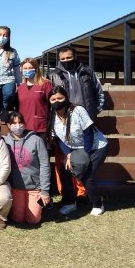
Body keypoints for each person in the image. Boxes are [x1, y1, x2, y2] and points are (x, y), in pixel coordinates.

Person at [48, 85, 109, 216]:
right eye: (53, 99)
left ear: (66, 98)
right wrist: (68, 155)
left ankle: (98, 203)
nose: (57, 101)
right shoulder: (52, 116)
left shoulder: (77, 110)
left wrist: (84, 156)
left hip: (95, 146)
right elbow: (58, 139)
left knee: (87, 175)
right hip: (75, 150)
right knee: (65, 170)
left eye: (60, 98)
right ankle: (69, 202)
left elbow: (89, 133)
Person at [2, 112, 51, 225]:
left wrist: (45, 190)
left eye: (20, 122)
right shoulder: (4, 141)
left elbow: (44, 165)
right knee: (18, 218)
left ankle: (39, 205)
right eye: (14, 123)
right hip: (15, 187)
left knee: (33, 219)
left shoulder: (36, 140)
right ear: (9, 125)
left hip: (34, 187)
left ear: (24, 124)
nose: (18, 126)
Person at [47, 45, 104, 121]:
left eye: (69, 57)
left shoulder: (88, 72)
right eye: (63, 59)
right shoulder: (52, 76)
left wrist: (96, 110)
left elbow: (99, 91)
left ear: (75, 56)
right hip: (65, 118)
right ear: (59, 59)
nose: (66, 60)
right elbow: (48, 99)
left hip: (88, 117)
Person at [16, 57, 53, 139]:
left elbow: (52, 105)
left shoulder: (46, 84)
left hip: (41, 128)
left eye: (30, 68)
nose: (27, 70)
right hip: (24, 128)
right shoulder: (21, 88)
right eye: (25, 68)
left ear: (36, 69)